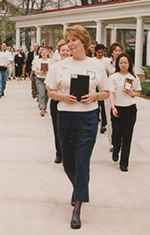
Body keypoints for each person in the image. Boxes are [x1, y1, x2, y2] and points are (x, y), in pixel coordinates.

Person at [45, 25, 110, 230]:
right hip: (65, 116)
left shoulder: (97, 66)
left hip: (88, 118)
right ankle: (78, 189)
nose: (70, 44)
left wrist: (95, 96)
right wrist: (62, 96)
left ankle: (77, 209)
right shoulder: (60, 66)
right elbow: (50, 91)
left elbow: (107, 91)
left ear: (84, 42)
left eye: (74, 40)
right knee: (67, 164)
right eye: (68, 40)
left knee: (82, 162)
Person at [109, 53, 141, 172]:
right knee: (117, 134)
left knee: (127, 136)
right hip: (117, 107)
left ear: (129, 64)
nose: (123, 65)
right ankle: (116, 149)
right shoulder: (113, 77)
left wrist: (132, 93)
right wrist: (113, 107)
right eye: (121, 63)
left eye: (125, 63)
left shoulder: (133, 77)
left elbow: (138, 92)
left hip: (130, 108)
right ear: (118, 64)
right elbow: (111, 93)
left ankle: (124, 163)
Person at [47, 39, 70, 164]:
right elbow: (48, 86)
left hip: (71, 102)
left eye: (67, 50)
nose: (65, 52)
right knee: (58, 129)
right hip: (57, 100)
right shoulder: (55, 67)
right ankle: (59, 153)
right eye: (63, 50)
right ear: (59, 52)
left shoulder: (76, 65)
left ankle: (68, 153)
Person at [107, 42, 124, 152]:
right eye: (115, 50)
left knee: (123, 119)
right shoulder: (108, 65)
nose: (118, 52)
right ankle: (113, 142)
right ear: (112, 52)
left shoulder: (125, 62)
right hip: (111, 94)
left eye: (119, 50)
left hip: (123, 94)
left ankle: (121, 139)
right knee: (111, 120)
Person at [94, 44, 113, 134]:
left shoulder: (108, 61)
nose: (100, 54)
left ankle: (104, 124)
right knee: (96, 105)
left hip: (104, 85)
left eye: (102, 52)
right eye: (99, 52)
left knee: (104, 106)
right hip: (95, 85)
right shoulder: (92, 61)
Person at [32, 48, 51, 116]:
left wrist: (48, 72)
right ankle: (42, 108)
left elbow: (53, 70)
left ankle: (45, 107)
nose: (44, 53)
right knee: (41, 93)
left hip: (47, 79)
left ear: (47, 53)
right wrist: (39, 72)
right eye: (42, 52)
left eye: (45, 52)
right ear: (40, 54)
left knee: (46, 94)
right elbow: (34, 70)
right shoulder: (38, 61)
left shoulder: (50, 61)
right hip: (39, 78)